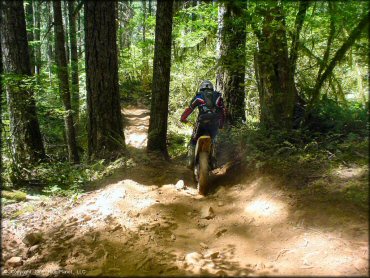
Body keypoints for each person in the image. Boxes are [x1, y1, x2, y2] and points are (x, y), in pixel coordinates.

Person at [180, 80, 226, 169]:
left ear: (202, 87)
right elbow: (223, 112)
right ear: (212, 87)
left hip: (201, 122)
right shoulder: (218, 96)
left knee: (193, 141)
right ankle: (213, 160)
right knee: (214, 141)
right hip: (214, 123)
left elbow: (190, 109)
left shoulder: (199, 96)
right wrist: (221, 125)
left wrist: (183, 118)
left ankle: (190, 160)